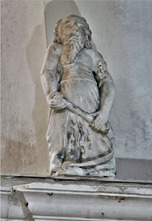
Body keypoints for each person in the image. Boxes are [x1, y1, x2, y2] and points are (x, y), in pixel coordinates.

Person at [41, 15, 116, 177]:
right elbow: (47, 72)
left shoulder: (92, 55)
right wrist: (51, 94)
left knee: (92, 136)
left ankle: (98, 167)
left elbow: (107, 83)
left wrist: (104, 112)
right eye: (68, 25)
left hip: (91, 102)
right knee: (67, 134)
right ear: (59, 33)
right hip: (65, 102)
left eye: (79, 26)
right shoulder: (56, 50)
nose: (74, 27)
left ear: (86, 34)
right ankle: (68, 163)